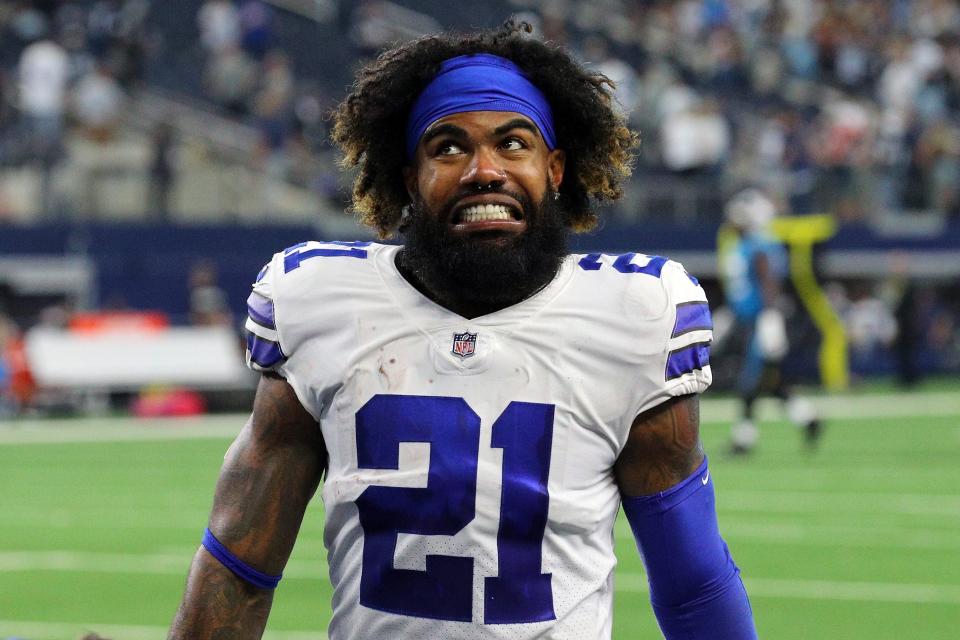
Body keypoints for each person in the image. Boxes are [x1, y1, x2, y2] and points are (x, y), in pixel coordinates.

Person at [168, 22, 757, 640]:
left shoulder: (633, 315)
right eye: (448, 147)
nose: (484, 171)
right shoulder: (322, 304)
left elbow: (694, 587)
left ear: (555, 169)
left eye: (514, 144)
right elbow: (238, 565)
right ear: (407, 180)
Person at [717, 188, 822, 454]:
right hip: (748, 319)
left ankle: (743, 440)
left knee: (750, 381)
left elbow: (769, 284)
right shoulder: (743, 243)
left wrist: (770, 318)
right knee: (770, 384)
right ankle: (808, 419)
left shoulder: (760, 245)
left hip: (762, 320)